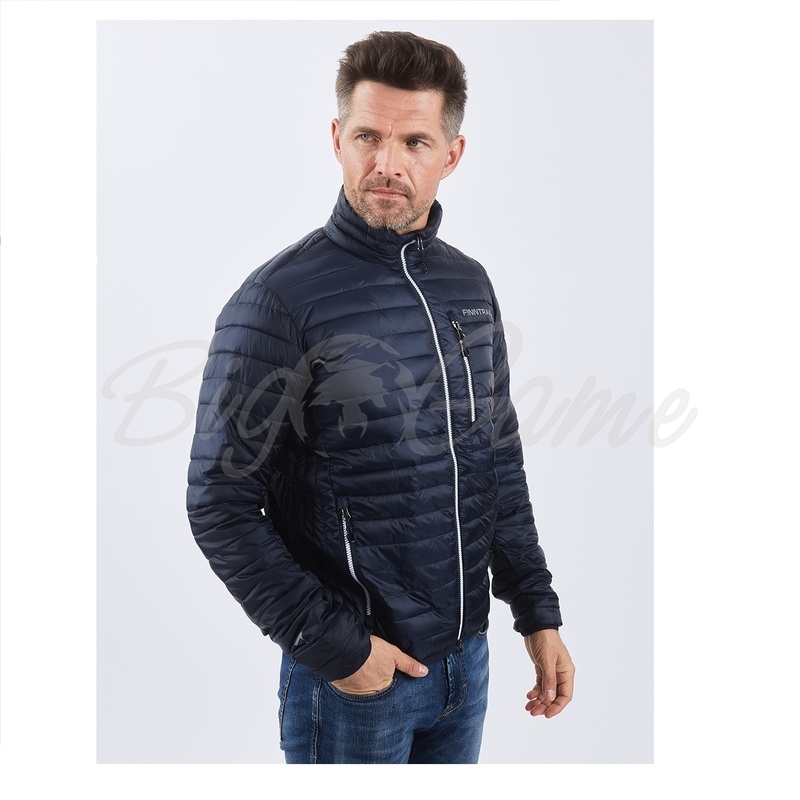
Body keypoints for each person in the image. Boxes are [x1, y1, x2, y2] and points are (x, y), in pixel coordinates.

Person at [187, 30, 574, 764]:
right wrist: (337, 648)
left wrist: (536, 610)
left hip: (467, 667)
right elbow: (218, 500)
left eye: (415, 142)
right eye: (368, 136)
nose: (387, 164)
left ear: (452, 155)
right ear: (337, 138)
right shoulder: (278, 301)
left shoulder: (468, 285)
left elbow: (495, 459)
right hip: (356, 684)